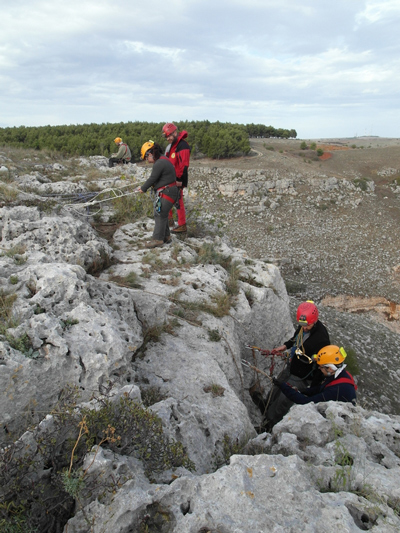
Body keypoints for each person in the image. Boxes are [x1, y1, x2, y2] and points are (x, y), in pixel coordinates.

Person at [250, 300, 330, 431]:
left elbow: (323, 364)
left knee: (284, 399)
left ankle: (269, 424)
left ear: (314, 321)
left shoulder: (322, 339)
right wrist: (283, 347)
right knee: (278, 385)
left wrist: (313, 389)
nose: (304, 328)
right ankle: (266, 404)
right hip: (293, 365)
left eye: (307, 326)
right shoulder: (304, 325)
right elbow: (295, 339)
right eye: (302, 325)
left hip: (303, 375)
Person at [273, 345, 357, 405]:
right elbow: (321, 388)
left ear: (330, 368)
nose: (319, 369)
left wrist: (284, 387)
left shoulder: (337, 390)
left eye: (321, 367)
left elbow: (305, 402)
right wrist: (303, 390)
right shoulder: (341, 375)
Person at [137, 141, 179, 248]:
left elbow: (152, 178)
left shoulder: (159, 163)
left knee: (159, 214)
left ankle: (157, 239)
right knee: (162, 214)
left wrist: (143, 188)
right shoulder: (163, 159)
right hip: (170, 191)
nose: (147, 160)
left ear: (150, 154)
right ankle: (166, 237)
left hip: (167, 192)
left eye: (146, 158)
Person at [162, 123, 190, 233]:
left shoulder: (183, 146)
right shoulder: (173, 146)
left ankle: (182, 225)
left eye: (169, 135)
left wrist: (180, 181)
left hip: (178, 179)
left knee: (178, 201)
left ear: (175, 133)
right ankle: (169, 220)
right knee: (166, 197)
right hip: (171, 178)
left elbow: (184, 166)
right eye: (166, 136)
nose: (168, 138)